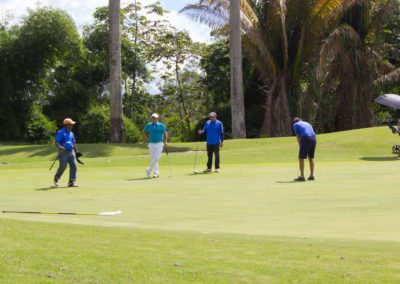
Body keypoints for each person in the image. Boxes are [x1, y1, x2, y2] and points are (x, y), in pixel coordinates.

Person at [54, 118, 80, 187]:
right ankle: (57, 176)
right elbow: (56, 142)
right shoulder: (61, 132)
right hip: (63, 152)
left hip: (71, 151)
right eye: (71, 124)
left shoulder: (71, 133)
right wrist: (60, 147)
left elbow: (73, 143)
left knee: (74, 166)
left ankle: (72, 181)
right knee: (63, 166)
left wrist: (76, 152)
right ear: (67, 125)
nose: (72, 125)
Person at [143, 113, 168, 178]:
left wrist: (165, 140)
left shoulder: (161, 125)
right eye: (153, 118)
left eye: (155, 118)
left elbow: (165, 132)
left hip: (159, 143)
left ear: (157, 118)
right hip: (151, 144)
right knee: (153, 159)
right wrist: (146, 138)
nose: (154, 119)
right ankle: (156, 173)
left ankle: (149, 170)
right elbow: (144, 131)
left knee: (156, 157)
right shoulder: (149, 125)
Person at [292, 117, 316, 181]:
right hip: (313, 138)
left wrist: (300, 145)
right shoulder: (307, 123)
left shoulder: (295, 125)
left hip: (306, 138)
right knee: (311, 157)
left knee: (301, 157)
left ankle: (302, 176)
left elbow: (298, 136)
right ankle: (311, 176)